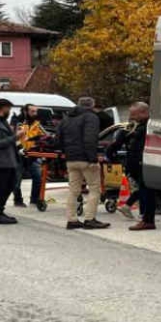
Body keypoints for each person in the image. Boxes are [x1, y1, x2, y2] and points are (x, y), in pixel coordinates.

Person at [114, 102, 161, 231]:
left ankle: (148, 220)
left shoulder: (150, 125)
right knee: (157, 188)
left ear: (143, 113)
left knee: (147, 191)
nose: (131, 117)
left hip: (147, 161)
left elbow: (145, 142)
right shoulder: (141, 125)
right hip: (146, 161)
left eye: (134, 114)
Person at [57, 97, 110, 230]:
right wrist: (93, 159)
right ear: (92, 106)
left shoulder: (67, 118)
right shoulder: (91, 117)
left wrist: (66, 152)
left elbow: (58, 139)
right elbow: (90, 139)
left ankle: (72, 220)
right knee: (94, 189)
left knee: (73, 191)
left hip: (71, 159)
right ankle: (90, 219)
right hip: (86, 159)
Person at [0, 98, 26, 225]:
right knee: (0, 188)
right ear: (3, 108)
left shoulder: (3, 121)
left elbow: (7, 140)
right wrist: (16, 136)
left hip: (10, 160)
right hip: (0, 161)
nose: (10, 111)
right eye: (9, 108)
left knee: (9, 186)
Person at [18, 104, 43, 206]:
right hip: (19, 153)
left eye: (35, 111)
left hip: (33, 154)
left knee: (37, 177)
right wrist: (19, 148)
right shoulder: (19, 123)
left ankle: (34, 199)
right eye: (32, 111)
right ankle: (18, 200)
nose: (35, 113)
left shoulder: (37, 124)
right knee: (17, 179)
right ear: (26, 112)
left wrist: (38, 140)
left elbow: (43, 136)